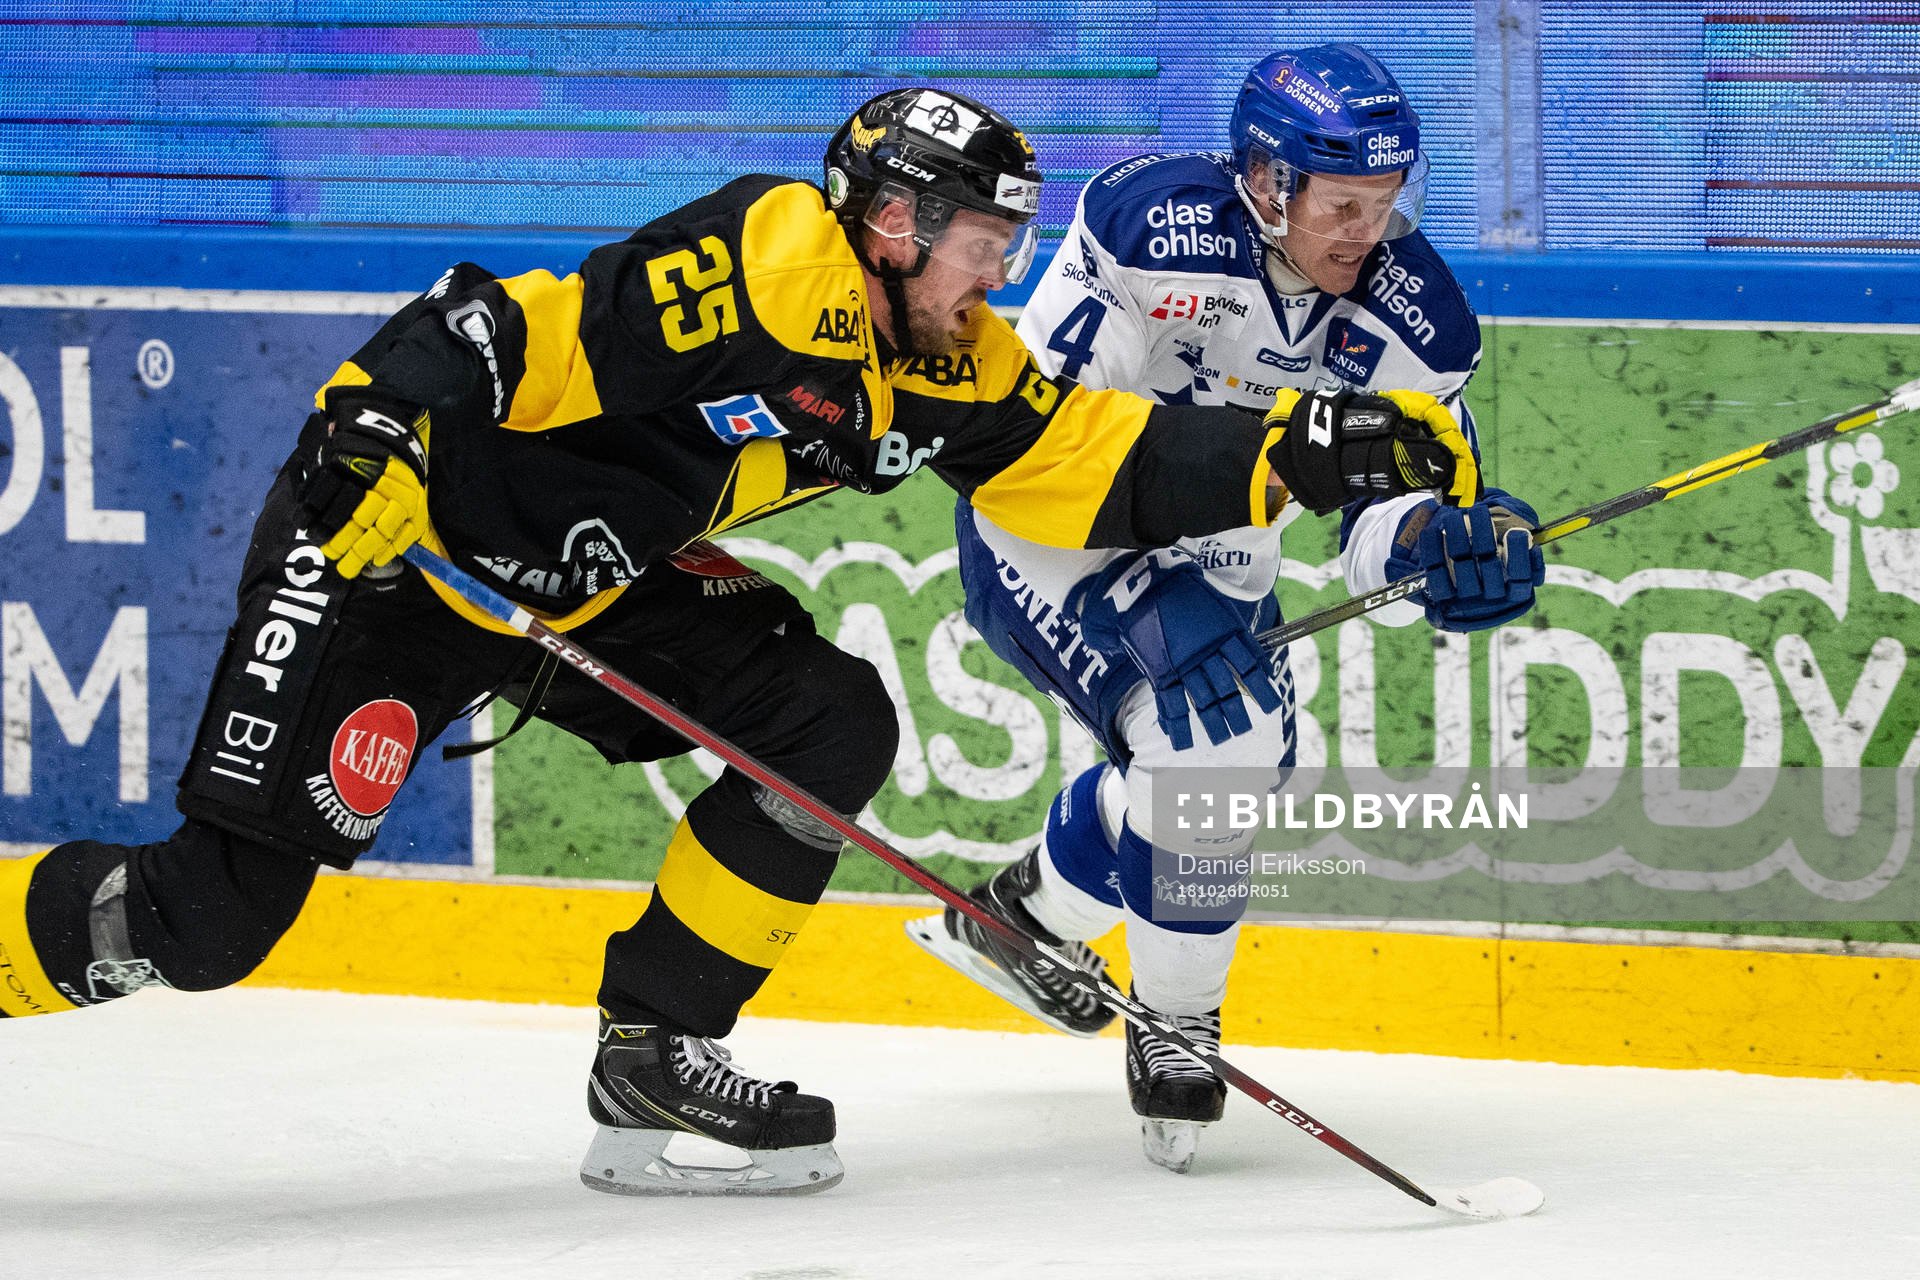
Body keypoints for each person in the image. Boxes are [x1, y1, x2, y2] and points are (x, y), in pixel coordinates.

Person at [0, 85, 1477, 1197]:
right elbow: (499, 330)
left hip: (583, 590)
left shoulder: (944, 360)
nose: (993, 276)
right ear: (890, 223)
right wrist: (369, 430)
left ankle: (653, 1059)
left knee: (825, 722)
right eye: (977, 243)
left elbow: (1101, 461)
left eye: (1008, 245)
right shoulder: (772, 263)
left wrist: (1305, 448)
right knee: (201, 926)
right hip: (405, 560)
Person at [909, 45, 1545, 1174]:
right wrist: (1147, 589)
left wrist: (1441, 549)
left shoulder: (1419, 317)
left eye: (1389, 203)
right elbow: (1027, 441)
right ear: (1264, 178)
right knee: (1214, 749)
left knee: (1218, 773)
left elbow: (1383, 520)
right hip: (1056, 532)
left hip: (1221, 564)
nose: (1368, 230)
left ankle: (1023, 915)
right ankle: (1177, 1020)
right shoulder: (1151, 224)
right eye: (1343, 203)